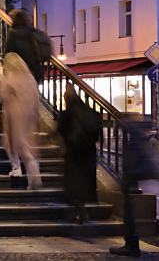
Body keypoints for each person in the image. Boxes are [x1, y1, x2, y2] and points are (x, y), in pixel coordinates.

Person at [56, 85, 101, 224]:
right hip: (88, 150)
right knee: (84, 181)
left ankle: (79, 210)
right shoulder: (90, 111)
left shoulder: (67, 114)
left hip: (73, 151)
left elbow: (60, 131)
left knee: (73, 183)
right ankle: (79, 210)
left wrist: (62, 145)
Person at [110, 115, 154, 257]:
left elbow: (132, 158)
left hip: (131, 178)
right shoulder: (136, 133)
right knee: (129, 211)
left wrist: (128, 178)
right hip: (132, 177)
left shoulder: (132, 135)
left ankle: (131, 243)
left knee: (129, 212)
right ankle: (131, 242)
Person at [0, 52, 43, 189]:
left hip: (13, 113)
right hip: (29, 112)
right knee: (24, 143)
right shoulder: (30, 78)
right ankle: (31, 174)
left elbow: (1, 93)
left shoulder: (10, 77)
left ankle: (21, 169)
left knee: (13, 143)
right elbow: (36, 97)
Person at [4, 9, 50, 84]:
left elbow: (9, 52)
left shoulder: (13, 33)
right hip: (36, 70)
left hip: (21, 70)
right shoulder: (35, 31)